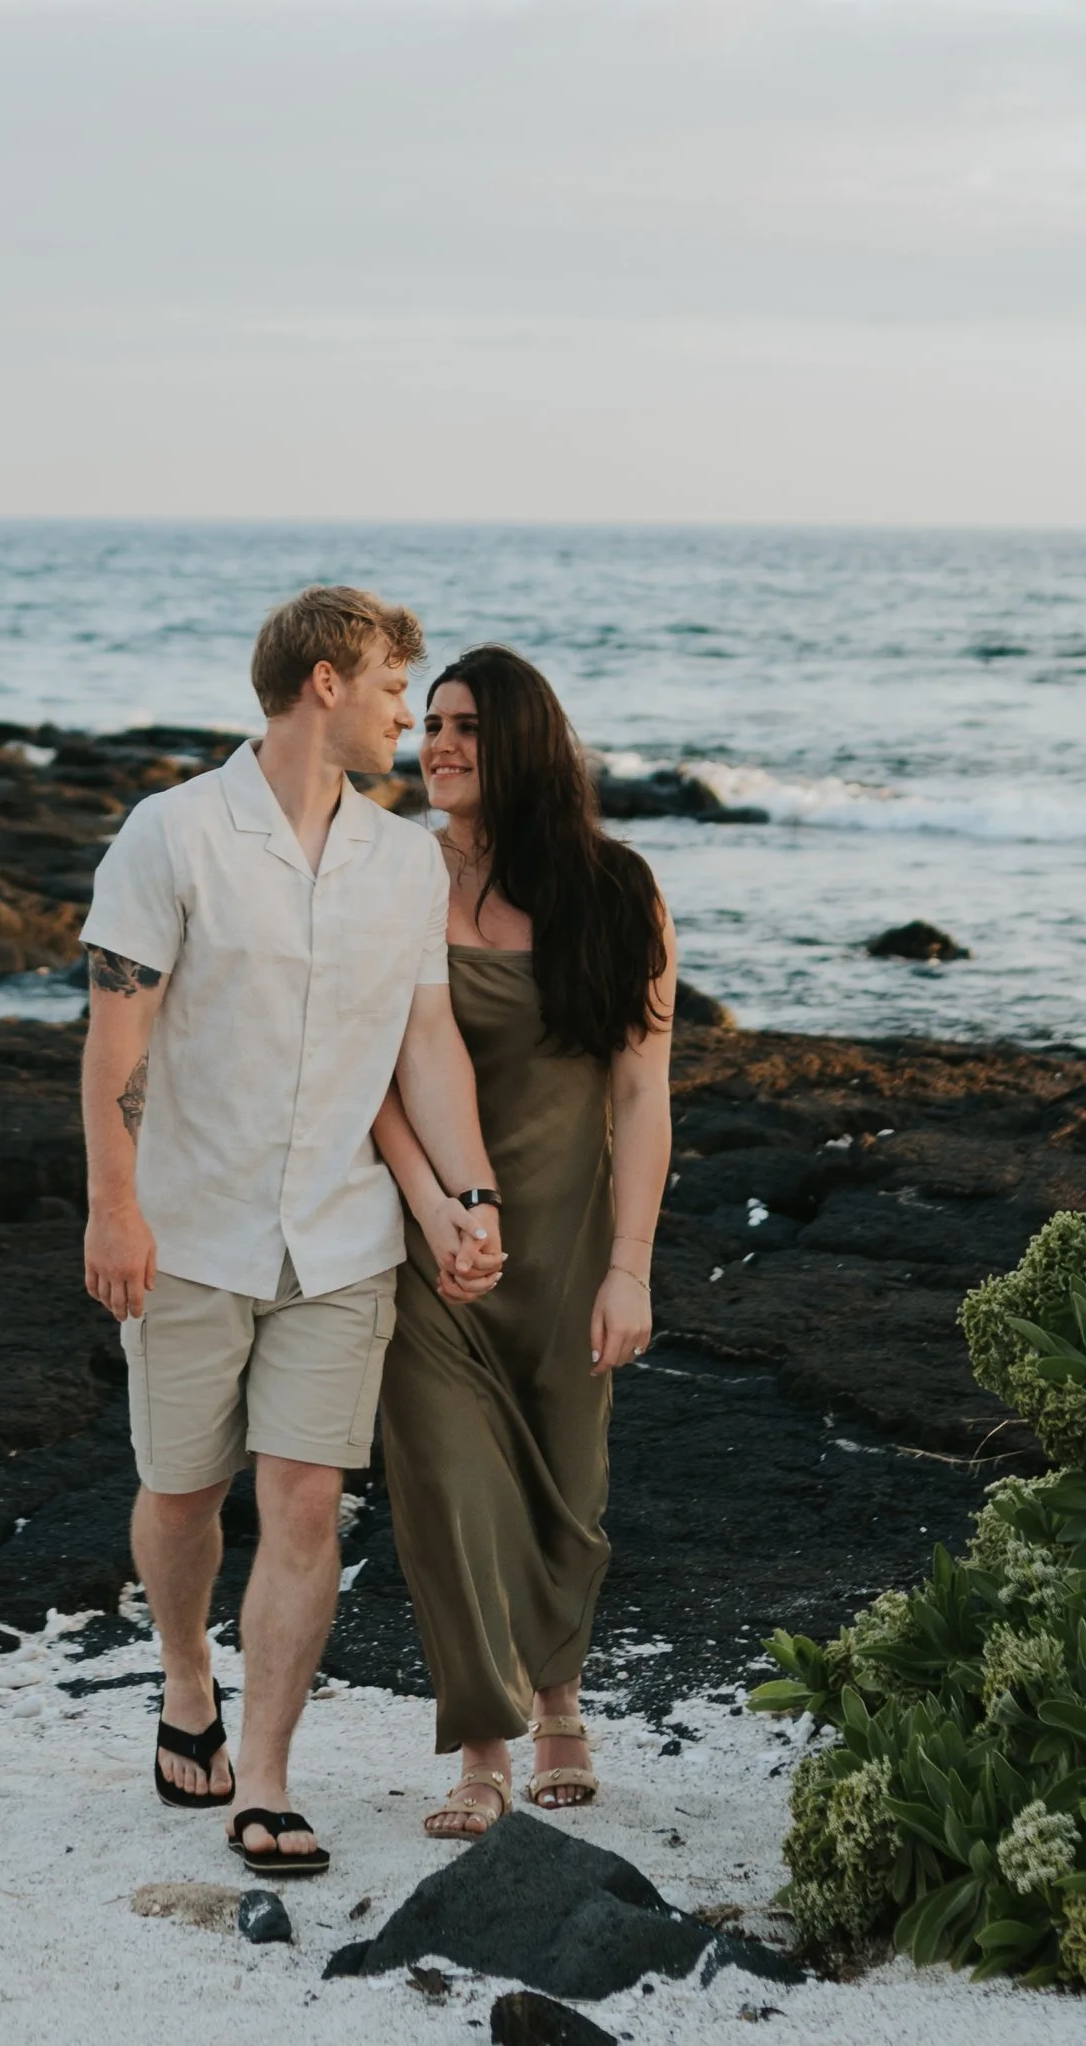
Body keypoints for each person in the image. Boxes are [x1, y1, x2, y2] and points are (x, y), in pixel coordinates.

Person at [78, 586, 505, 1882]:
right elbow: (115, 1035)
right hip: (191, 1227)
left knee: (305, 1499)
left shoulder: (404, 861)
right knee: (179, 1495)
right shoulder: (173, 834)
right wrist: (113, 1202)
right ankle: (184, 1671)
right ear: (326, 679)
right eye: (390, 687)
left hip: (340, 1239)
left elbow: (424, 1038)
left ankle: (262, 1776)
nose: (403, 715)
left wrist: (473, 1199)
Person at [372, 645, 676, 1836]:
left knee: (566, 1488)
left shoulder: (617, 888)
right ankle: (485, 1746)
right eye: (431, 722)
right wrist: (434, 1203)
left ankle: (563, 1704)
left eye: (466, 726)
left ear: (525, 743)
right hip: (430, 1238)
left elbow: (643, 1091)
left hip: (566, 1239)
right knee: (447, 1486)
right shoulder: (394, 876)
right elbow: (375, 1071)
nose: (437, 743)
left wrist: (629, 1264)